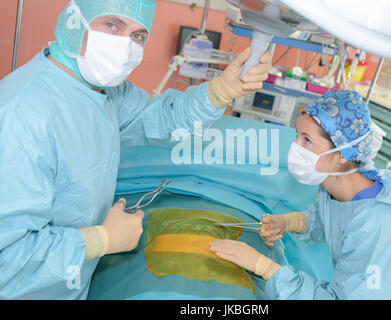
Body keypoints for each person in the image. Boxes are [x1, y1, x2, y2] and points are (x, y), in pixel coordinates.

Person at [0, 0, 272, 299]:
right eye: (113, 25)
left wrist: (220, 91)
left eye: (138, 35)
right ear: (74, 21)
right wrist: (99, 240)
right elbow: (8, 258)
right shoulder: (23, 118)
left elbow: (155, 117)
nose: (125, 44)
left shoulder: (100, 90)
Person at [210, 90, 391, 299]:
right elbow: (332, 219)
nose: (295, 148)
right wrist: (291, 222)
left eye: (307, 140)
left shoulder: (376, 227)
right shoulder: (338, 188)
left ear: (342, 153)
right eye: (297, 136)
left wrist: (265, 268)